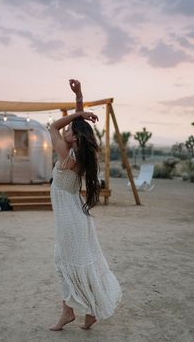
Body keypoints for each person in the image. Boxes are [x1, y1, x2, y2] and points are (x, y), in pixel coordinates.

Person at [49, 79, 122, 331]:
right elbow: (73, 125)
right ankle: (89, 312)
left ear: (74, 137)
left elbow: (52, 126)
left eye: (70, 129)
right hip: (75, 217)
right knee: (74, 264)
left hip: (70, 219)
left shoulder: (65, 153)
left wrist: (79, 113)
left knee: (64, 264)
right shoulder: (80, 153)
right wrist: (79, 96)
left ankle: (68, 312)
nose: (65, 129)